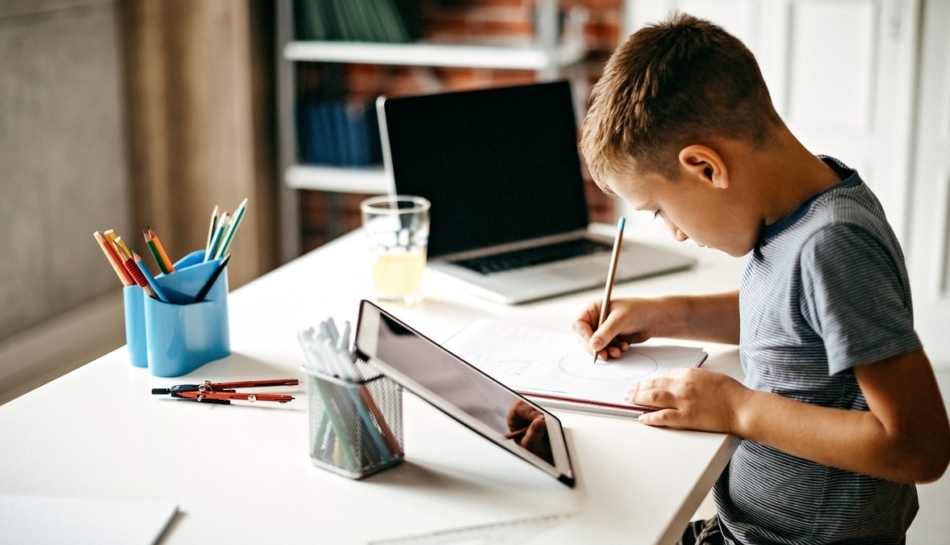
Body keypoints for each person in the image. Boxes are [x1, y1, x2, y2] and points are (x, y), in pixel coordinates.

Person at [573, 12, 950, 545]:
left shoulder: (833, 244)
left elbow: (918, 445)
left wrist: (737, 407)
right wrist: (670, 312)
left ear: (706, 167)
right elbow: (795, 319)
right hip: (746, 530)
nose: (676, 233)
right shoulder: (798, 207)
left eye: (660, 209)